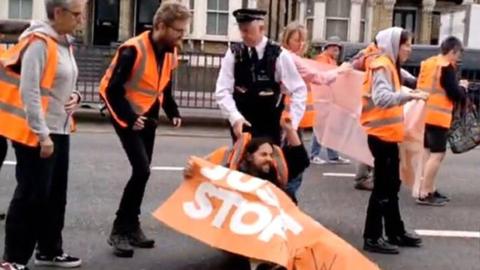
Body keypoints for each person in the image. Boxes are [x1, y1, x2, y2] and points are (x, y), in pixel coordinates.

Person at [0, 1, 86, 269]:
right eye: (77, 14)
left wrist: (76, 96)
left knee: (55, 194)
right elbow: (30, 92)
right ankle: (12, 259)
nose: (81, 20)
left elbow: (64, 81)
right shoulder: (38, 42)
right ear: (58, 13)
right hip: (37, 132)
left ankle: (49, 250)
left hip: (60, 127)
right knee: (31, 195)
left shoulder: (64, 42)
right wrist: (42, 135)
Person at [99, 2, 189, 258]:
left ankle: (132, 226)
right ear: (160, 26)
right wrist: (128, 117)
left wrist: (173, 111)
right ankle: (119, 230)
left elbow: (165, 87)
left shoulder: (171, 52)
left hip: (148, 114)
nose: (181, 36)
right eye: (178, 31)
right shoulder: (132, 50)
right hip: (125, 112)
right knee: (141, 169)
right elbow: (109, 89)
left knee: (144, 172)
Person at [185, 118, 309, 270]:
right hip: (242, 235)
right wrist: (192, 170)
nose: (269, 159)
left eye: (271, 155)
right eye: (263, 155)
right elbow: (206, 178)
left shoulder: (275, 176)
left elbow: (301, 160)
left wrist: (290, 130)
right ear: (249, 157)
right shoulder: (235, 175)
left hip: (269, 238)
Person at [360, 27, 428, 254]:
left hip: (387, 135)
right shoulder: (383, 65)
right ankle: (372, 237)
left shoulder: (390, 65)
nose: (409, 49)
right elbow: (381, 98)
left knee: (391, 186)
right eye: (406, 44)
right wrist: (410, 95)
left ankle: (394, 231)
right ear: (393, 45)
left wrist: (410, 91)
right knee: (383, 187)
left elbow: (390, 92)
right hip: (381, 136)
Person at [279, 22, 350, 201]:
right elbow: (318, 77)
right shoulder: (290, 59)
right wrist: (340, 71)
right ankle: (288, 199)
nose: (302, 44)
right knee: (295, 162)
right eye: (297, 40)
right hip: (288, 121)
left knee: (289, 161)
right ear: (287, 40)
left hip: (294, 119)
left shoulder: (287, 56)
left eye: (304, 40)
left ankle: (286, 198)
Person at [215, 9, 307, 146]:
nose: (243, 35)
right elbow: (222, 90)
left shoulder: (279, 55)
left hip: (270, 123)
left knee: (268, 164)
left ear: (261, 28)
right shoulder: (234, 53)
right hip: (243, 122)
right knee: (242, 165)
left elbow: (299, 89)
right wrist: (234, 117)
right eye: (241, 30)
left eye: (247, 31)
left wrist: (292, 125)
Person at [417, 36, 468, 206]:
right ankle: (426, 192)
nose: (459, 57)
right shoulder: (446, 67)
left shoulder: (430, 63)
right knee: (437, 154)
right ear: (453, 51)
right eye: (458, 53)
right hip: (438, 116)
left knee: (426, 153)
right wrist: (463, 88)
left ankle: (425, 187)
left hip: (425, 113)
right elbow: (454, 93)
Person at [311, 36, 350, 165]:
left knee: (330, 128)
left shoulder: (331, 61)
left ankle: (332, 156)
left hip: (329, 100)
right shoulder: (323, 60)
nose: (336, 52)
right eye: (334, 49)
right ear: (327, 49)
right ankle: (314, 155)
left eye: (337, 49)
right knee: (322, 128)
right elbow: (326, 77)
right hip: (322, 100)